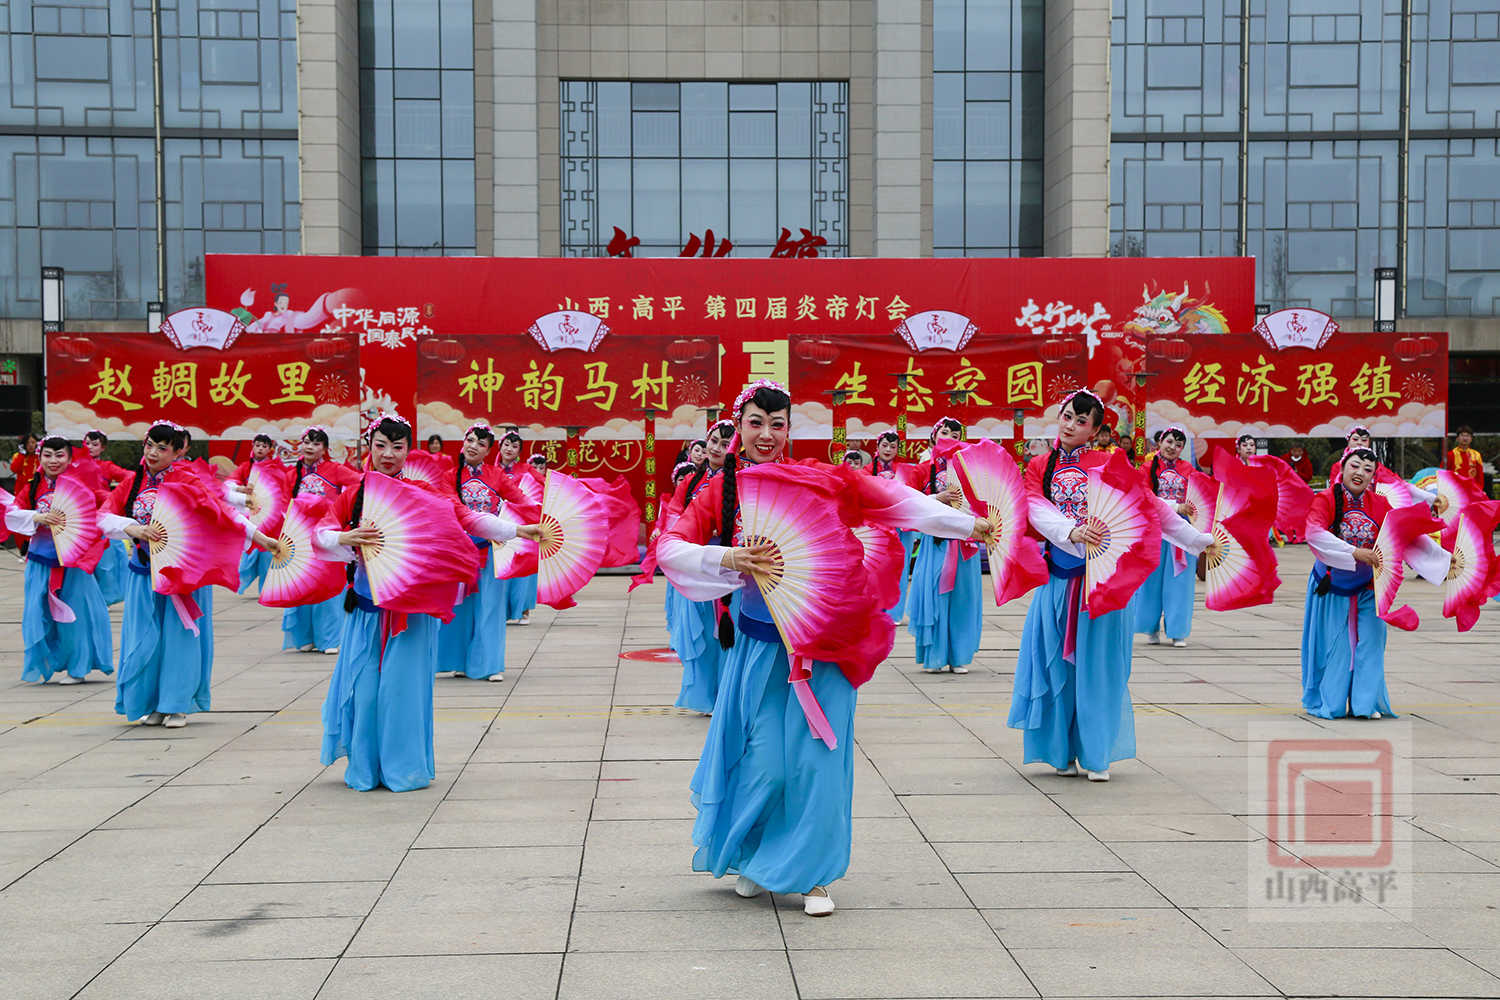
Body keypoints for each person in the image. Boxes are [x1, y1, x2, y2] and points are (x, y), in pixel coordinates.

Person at [657, 380, 990, 916]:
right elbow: (670, 547)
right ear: (739, 426)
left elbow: (894, 502)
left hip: (825, 643)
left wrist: (968, 524)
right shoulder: (720, 489)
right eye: (756, 423)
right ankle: (757, 858)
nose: (767, 434)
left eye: (777, 424)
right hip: (759, 650)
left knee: (818, 763)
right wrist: (728, 559)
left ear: (790, 428)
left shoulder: (815, 479)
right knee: (763, 763)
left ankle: (813, 877)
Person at [314, 414, 542, 792]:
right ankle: (365, 768)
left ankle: (403, 769)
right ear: (369, 447)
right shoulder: (355, 494)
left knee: (402, 692)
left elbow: (467, 518)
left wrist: (517, 530)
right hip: (367, 611)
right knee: (365, 691)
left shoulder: (422, 492)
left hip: (411, 611)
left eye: (397, 447)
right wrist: (344, 537)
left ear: (408, 450)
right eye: (381, 446)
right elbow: (320, 534)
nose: (388, 454)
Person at [1010, 391, 1214, 781]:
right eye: (1067, 416)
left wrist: (1195, 539)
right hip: (1059, 580)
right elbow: (1034, 506)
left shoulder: (1109, 462)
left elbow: (1148, 505)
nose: (1070, 425)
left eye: (1081, 421)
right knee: (1055, 667)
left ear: (1095, 430)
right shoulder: (1040, 465)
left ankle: (1096, 754)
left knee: (1100, 668)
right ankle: (1060, 751)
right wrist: (1070, 530)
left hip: (1104, 585)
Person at [99, 422, 279, 728]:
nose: (153, 453)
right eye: (150, 445)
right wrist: (132, 528)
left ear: (176, 452)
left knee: (179, 638)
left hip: (184, 575)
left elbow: (224, 513)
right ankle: (152, 703)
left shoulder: (188, 479)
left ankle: (176, 704)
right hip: (144, 573)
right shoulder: (133, 482)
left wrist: (260, 538)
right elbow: (103, 516)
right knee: (144, 638)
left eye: (162, 448)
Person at [1301, 447, 1447, 719]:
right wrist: (1354, 552)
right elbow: (1314, 533)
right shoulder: (1325, 499)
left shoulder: (1380, 504)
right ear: (1343, 468)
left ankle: (1364, 706)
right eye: (1355, 466)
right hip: (1332, 585)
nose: (1360, 473)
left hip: (1370, 585)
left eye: (1367, 470)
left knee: (1372, 642)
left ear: (1373, 477)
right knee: (1338, 647)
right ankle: (1332, 703)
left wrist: (1444, 561)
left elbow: (1403, 535)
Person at [437, 422, 540, 682]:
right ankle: (459, 661)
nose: (473, 446)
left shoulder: (496, 475)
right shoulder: (449, 476)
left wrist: (544, 515)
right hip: (459, 551)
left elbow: (521, 501)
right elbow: (451, 507)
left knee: (491, 607)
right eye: (470, 440)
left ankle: (489, 665)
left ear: (488, 450)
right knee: (460, 608)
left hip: (491, 550)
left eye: (481, 444)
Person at [6, 436, 113, 685]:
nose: (53, 460)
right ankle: (49, 661)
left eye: (59, 455)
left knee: (76, 614)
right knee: (38, 613)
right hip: (40, 560)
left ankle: (78, 667)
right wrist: (37, 517)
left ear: (70, 458)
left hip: (72, 561)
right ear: (40, 457)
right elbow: (13, 513)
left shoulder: (80, 485)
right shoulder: (33, 487)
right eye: (48, 455)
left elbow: (105, 505)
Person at [660, 419, 734, 714]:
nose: (717, 448)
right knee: (702, 635)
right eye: (713, 441)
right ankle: (705, 697)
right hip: (697, 565)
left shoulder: (740, 480)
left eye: (725, 444)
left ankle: (727, 697)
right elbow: (674, 516)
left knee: (727, 635)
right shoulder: (691, 481)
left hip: (728, 568)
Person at [906, 417, 983, 675]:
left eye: (955, 435)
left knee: (963, 599)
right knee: (934, 597)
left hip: (964, 542)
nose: (949, 437)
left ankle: (959, 656)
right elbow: (909, 501)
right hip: (935, 543)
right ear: (934, 436)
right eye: (945, 432)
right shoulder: (922, 469)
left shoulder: (970, 469)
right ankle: (935, 656)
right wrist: (937, 497)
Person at [282, 426, 361, 654]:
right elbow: (284, 505)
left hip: (327, 537)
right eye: (307, 442)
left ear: (325, 449)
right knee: (302, 585)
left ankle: (329, 639)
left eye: (316, 443)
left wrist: (342, 509)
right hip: (301, 538)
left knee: (328, 587)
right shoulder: (291, 475)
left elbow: (361, 483)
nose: (310, 447)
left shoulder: (335, 470)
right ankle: (305, 637)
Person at [1133, 426, 1198, 647]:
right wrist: (1175, 507)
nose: (1173, 447)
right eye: (1169, 442)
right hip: (1154, 529)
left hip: (1182, 531)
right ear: (1160, 443)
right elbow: (1144, 496)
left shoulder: (1188, 469)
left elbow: (1198, 496)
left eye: (1178, 445)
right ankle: (1149, 627)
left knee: (1180, 581)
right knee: (1150, 581)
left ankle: (1178, 631)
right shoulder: (1147, 468)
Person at [79, 430, 131, 604]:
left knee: (105, 563)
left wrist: (113, 496)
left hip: (101, 519)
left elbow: (131, 477)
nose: (90, 447)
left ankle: (103, 598)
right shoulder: (73, 465)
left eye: (95, 444)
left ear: (103, 448)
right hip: (80, 519)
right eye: (87, 443)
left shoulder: (106, 466)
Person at [868, 430, 916, 622]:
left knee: (900, 568)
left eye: (892, 446)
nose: (888, 449)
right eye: (885, 445)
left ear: (897, 450)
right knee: (876, 567)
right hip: (877, 526)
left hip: (900, 526)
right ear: (877, 447)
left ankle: (894, 613)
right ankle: (875, 609)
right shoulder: (867, 470)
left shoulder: (905, 471)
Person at [496, 432, 542, 625]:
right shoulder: (491, 470)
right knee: (502, 568)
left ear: (519, 452)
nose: (509, 449)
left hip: (524, 524)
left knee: (524, 567)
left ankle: (524, 610)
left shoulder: (526, 470)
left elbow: (543, 485)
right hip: (499, 524)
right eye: (506, 445)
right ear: (500, 447)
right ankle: (503, 611)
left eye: (514, 447)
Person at [230, 432, 283, 595]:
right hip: (250, 512)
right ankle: (242, 580)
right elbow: (230, 483)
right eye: (258, 445)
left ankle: (266, 589)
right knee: (249, 551)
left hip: (270, 515)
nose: (260, 449)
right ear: (253, 446)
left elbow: (282, 488)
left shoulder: (275, 468)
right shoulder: (245, 467)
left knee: (267, 553)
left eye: (264, 446)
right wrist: (239, 488)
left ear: (270, 449)